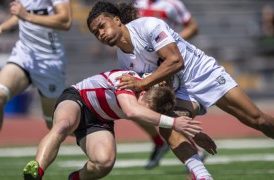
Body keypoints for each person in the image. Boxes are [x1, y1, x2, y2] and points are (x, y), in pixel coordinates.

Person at [87, 1, 274, 178]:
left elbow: (176, 61)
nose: (101, 34)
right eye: (96, 33)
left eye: (102, 26)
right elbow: (161, 91)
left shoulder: (148, 26)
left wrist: (143, 84)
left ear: (117, 20)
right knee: (167, 127)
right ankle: (203, 176)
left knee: (258, 120)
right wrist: (192, 131)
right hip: (180, 92)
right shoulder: (124, 60)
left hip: (203, 74)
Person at [22, 69, 211, 180]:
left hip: (100, 120)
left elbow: (169, 121)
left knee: (105, 162)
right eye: (146, 107)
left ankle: (75, 178)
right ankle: (36, 170)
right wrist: (174, 122)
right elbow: (133, 111)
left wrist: (196, 134)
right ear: (143, 93)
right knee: (63, 125)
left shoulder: (150, 99)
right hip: (78, 100)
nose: (146, 113)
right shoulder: (128, 80)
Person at [0, 0, 72, 179]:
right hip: (24, 56)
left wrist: (26, 16)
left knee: (55, 125)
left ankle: (94, 140)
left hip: (49, 63)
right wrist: (0, 28)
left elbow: (65, 21)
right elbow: (21, 14)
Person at [132, 0, 200, 169]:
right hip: (143, 62)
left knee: (171, 109)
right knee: (134, 105)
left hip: (165, 62)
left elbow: (192, 26)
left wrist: (171, 42)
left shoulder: (172, 4)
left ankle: (193, 153)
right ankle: (161, 143)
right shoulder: (136, 3)